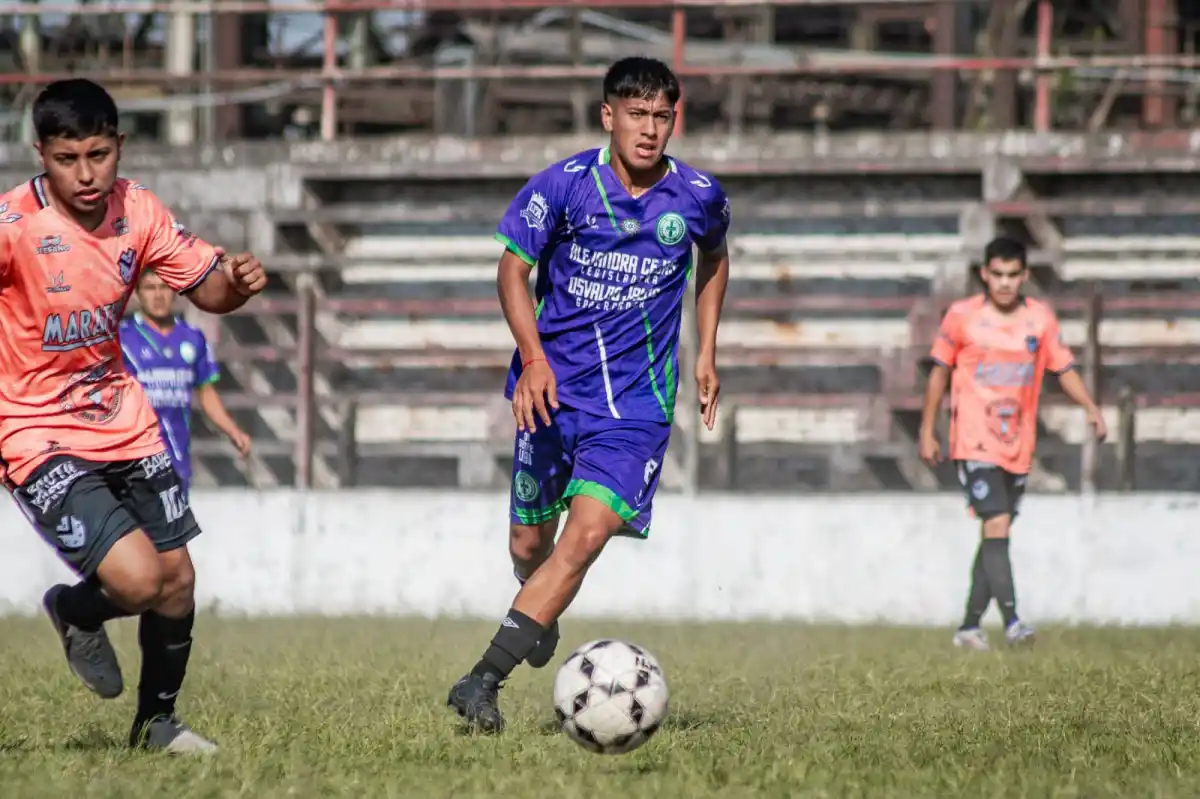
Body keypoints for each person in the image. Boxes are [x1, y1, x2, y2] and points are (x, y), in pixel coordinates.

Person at [446, 56, 732, 733]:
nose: (651, 129)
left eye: (663, 116)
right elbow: (512, 273)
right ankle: (535, 607)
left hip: (635, 407)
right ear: (609, 116)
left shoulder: (696, 195)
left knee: (587, 534)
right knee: (527, 544)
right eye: (638, 114)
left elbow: (715, 257)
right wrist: (535, 359)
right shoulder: (563, 186)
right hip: (550, 395)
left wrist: (709, 351)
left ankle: (482, 678)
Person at [0, 78, 267, 753]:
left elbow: (204, 288)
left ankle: (157, 725)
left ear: (119, 145)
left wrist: (232, 284)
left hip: (123, 417)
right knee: (139, 579)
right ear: (41, 154)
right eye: (67, 159)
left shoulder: (138, 209)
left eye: (99, 154)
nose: (86, 175)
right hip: (35, 429)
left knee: (177, 580)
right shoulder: (13, 228)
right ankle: (74, 609)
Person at [918, 236, 1106, 652]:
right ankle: (1013, 621)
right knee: (997, 522)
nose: (1004, 283)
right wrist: (927, 428)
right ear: (984, 274)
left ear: (1024, 276)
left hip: (1017, 444)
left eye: (1012, 275)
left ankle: (968, 627)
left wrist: (1091, 407)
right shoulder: (962, 317)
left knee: (995, 533)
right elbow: (938, 373)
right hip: (972, 442)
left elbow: (1064, 368)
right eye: (996, 274)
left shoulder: (1039, 320)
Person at [120, 268, 253, 490]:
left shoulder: (192, 338)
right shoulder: (122, 339)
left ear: (175, 291)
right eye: (150, 288)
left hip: (176, 460)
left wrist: (233, 430)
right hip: (134, 461)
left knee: (174, 523)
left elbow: (206, 391)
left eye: (164, 287)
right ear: (137, 293)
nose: (158, 295)